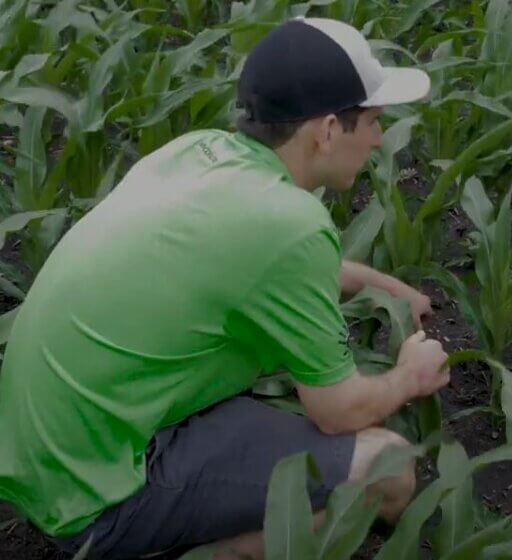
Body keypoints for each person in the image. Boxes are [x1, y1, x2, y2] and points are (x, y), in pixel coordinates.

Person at [0, 17, 449, 560]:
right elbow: (340, 410)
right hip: (98, 499)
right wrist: (408, 377)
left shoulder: (200, 153)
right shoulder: (291, 223)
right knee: (390, 470)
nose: (380, 137)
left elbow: (268, 268)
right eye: (373, 121)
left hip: (44, 455)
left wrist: (385, 288)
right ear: (328, 130)